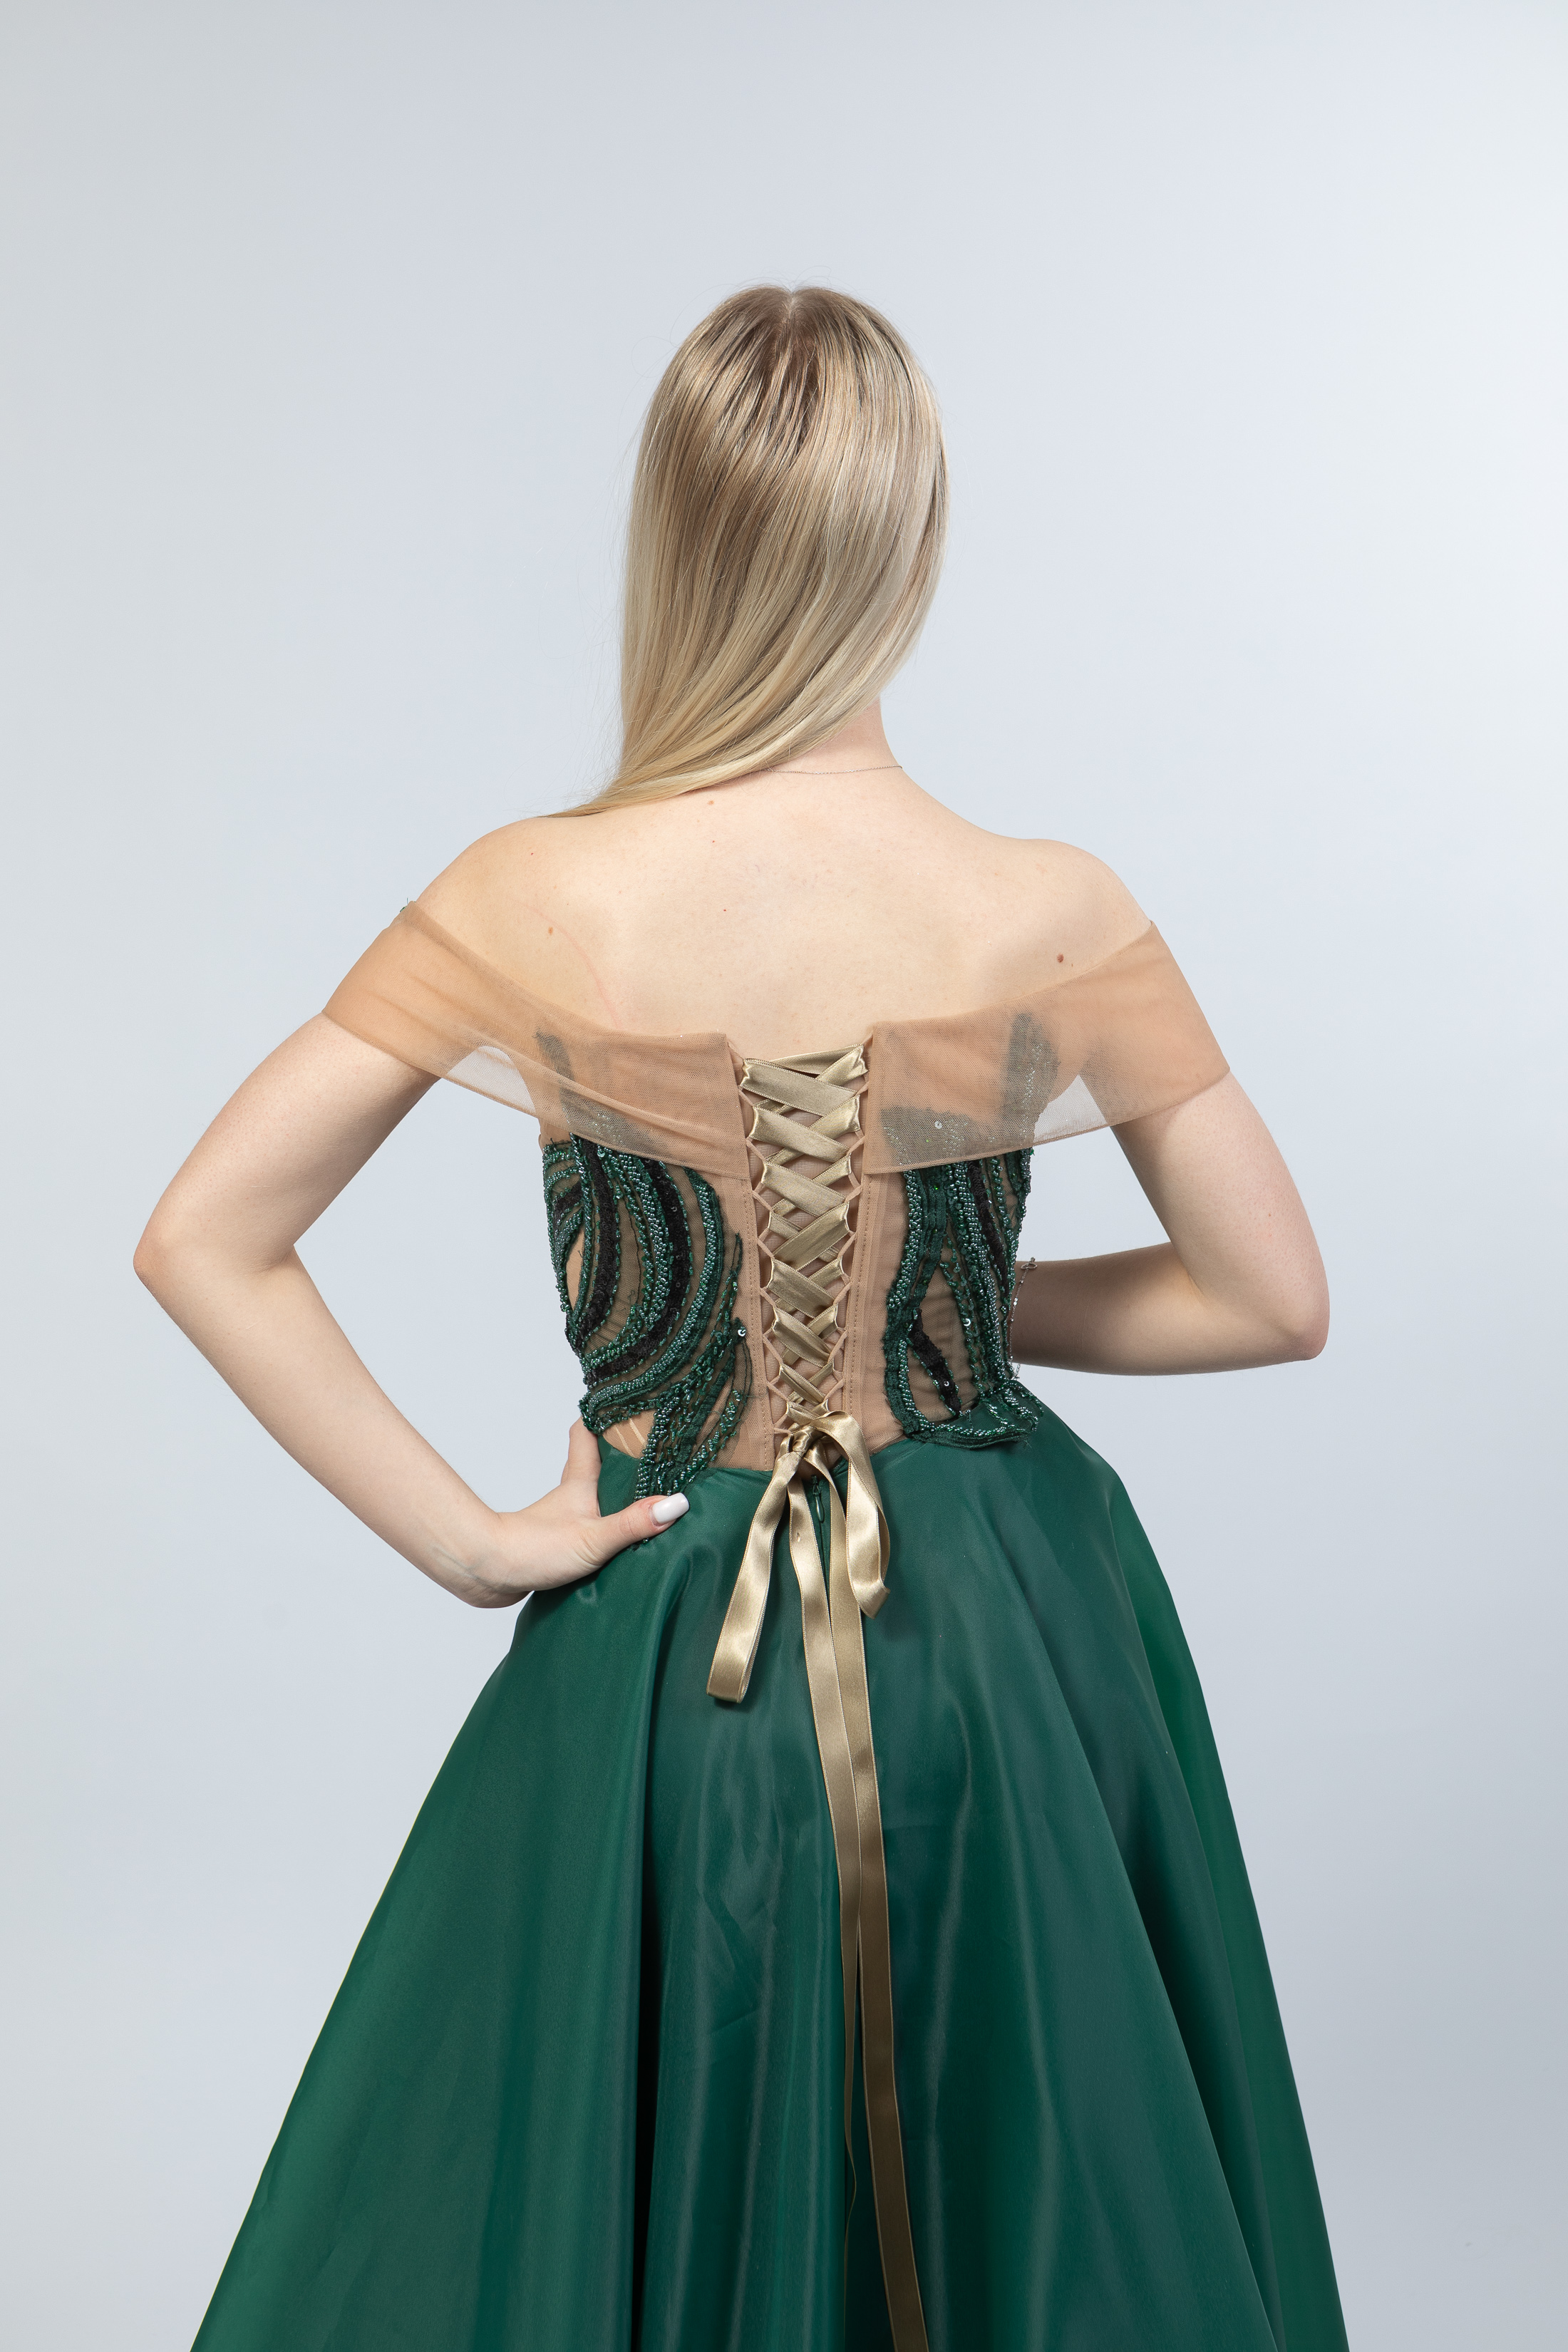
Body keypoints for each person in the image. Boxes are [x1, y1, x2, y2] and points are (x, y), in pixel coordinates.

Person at [136, 285, 1348, 2352]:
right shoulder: (1048, 904)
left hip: (657, 1639)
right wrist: (943, 1314)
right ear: (912, 539)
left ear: (675, 538)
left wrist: (470, 1540)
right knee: (1033, 2199)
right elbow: (1270, 1294)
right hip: (1002, 1644)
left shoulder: (528, 894)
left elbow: (205, 1235)